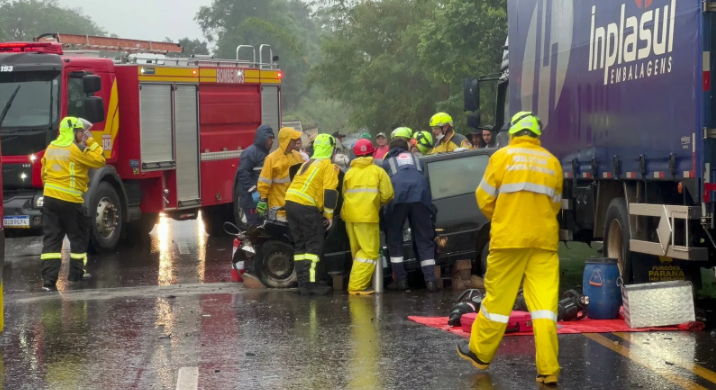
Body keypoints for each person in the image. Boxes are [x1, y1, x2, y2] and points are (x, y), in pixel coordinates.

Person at [456, 112, 563, 385]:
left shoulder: (501, 157)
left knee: (497, 303)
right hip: (543, 243)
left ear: (513, 132)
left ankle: (480, 353)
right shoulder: (552, 163)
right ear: (537, 134)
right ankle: (548, 369)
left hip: (508, 242)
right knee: (544, 309)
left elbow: (484, 198)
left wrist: (503, 216)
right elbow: (555, 205)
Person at [40, 117, 106, 291]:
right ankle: (77, 274)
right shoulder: (75, 150)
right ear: (74, 132)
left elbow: (44, 173)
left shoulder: (51, 148)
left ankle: (48, 281)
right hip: (70, 201)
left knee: (51, 241)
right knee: (78, 238)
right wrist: (90, 141)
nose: (81, 135)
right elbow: (100, 160)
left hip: (50, 200)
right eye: (81, 132)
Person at [285, 133, 340, 296]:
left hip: (291, 203)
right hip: (306, 206)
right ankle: (311, 284)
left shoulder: (307, 162)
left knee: (301, 245)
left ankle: (303, 283)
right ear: (331, 150)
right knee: (314, 245)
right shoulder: (327, 165)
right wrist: (329, 216)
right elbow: (330, 192)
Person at [382, 134, 438, 292]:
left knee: (395, 238)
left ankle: (400, 280)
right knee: (424, 238)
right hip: (420, 197)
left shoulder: (387, 163)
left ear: (391, 149)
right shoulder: (417, 160)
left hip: (397, 199)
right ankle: (431, 281)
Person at [343, 139, 394, 295]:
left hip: (349, 217)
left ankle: (359, 283)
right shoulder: (377, 171)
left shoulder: (349, 172)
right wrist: (378, 203)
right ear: (372, 152)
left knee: (357, 252)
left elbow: (344, 193)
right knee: (369, 253)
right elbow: (388, 195)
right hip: (367, 217)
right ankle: (357, 286)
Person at [257, 127, 303, 219]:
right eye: (293, 139)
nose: (296, 141)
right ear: (286, 141)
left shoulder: (297, 156)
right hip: (279, 208)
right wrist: (263, 199)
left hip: (296, 206)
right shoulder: (271, 159)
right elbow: (264, 182)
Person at [237, 125, 274, 227]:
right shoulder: (250, 153)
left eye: (273, 138)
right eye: (269, 138)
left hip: (260, 200)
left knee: (262, 227)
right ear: (263, 137)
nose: (272, 141)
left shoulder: (265, 154)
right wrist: (253, 191)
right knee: (255, 226)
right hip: (251, 200)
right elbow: (243, 174)